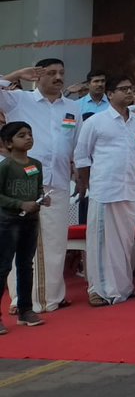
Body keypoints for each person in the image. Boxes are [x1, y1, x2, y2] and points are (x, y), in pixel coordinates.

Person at [0, 59, 80, 313]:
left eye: (61, 73)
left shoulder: (73, 107)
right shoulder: (18, 100)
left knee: (55, 243)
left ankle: (51, 296)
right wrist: (15, 74)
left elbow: (75, 144)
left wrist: (78, 172)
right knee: (20, 243)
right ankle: (20, 299)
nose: (58, 77)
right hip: (23, 183)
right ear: (37, 76)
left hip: (58, 181)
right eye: (51, 73)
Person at [74, 75, 135, 306]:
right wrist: (86, 184)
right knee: (102, 242)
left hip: (128, 187)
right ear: (110, 94)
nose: (129, 92)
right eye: (123, 89)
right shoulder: (96, 121)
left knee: (124, 241)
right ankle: (98, 289)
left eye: (131, 88)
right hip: (104, 189)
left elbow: (133, 152)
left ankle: (123, 286)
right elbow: (82, 156)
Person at [0, 122, 47, 330]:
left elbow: (38, 188)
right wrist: (20, 204)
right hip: (8, 222)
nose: (28, 138)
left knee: (26, 265)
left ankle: (25, 310)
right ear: (8, 143)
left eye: (30, 134)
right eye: (21, 135)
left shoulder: (36, 164)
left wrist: (42, 198)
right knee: (3, 266)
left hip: (30, 220)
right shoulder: (5, 167)